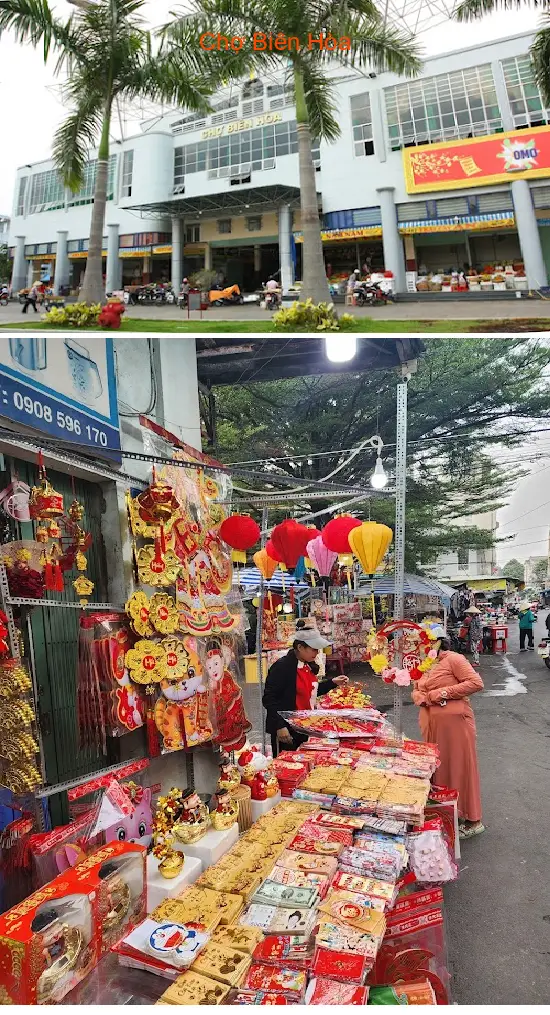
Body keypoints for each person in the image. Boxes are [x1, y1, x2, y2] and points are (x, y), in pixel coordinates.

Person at [412, 626, 484, 839]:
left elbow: (476, 683)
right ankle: (448, 813)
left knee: (460, 767)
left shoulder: (454, 659)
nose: (419, 646)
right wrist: (419, 696)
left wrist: (441, 693)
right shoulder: (426, 663)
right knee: (439, 769)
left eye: (422, 642)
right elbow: (418, 688)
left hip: (455, 724)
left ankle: (473, 819)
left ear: (436, 641)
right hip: (432, 724)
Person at [262, 628, 348, 757]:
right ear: (300, 647)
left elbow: (310, 692)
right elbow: (269, 698)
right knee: (288, 766)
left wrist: (333, 682)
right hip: (288, 729)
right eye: (313, 649)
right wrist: (279, 726)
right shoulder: (282, 667)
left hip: (305, 725)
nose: (317, 652)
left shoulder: (307, 665)